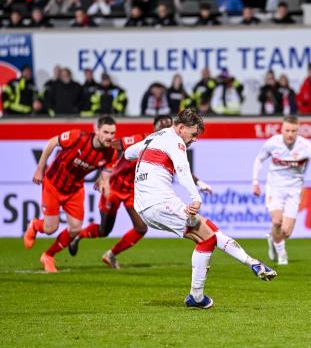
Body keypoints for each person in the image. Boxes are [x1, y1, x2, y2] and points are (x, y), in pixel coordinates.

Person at [125, 109, 277, 308]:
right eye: (193, 133)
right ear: (180, 128)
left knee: (209, 231)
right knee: (208, 238)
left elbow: (128, 153)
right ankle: (196, 297)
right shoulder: (176, 140)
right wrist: (195, 197)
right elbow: (182, 169)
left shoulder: (155, 137)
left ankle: (253, 263)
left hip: (145, 206)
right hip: (160, 202)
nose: (194, 139)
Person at [68, 115, 213, 268]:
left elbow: (181, 169)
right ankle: (79, 235)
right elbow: (115, 146)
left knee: (141, 227)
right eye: (161, 125)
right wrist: (105, 171)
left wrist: (198, 182)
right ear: (154, 127)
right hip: (114, 187)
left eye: (167, 125)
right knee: (104, 230)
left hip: (133, 190)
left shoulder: (170, 144)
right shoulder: (141, 139)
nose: (164, 128)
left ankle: (111, 254)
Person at [23, 116, 118, 273]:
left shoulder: (110, 153)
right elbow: (52, 142)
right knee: (50, 228)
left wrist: (104, 183)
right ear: (97, 131)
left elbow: (106, 175)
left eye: (112, 133)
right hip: (53, 184)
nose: (109, 137)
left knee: (75, 229)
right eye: (106, 132)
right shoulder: (78, 136)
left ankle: (48, 256)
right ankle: (34, 225)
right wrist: (40, 169)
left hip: (75, 190)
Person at [252, 116, 311, 265]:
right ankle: (282, 255)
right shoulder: (273, 143)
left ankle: (272, 239)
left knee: (286, 231)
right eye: (287, 130)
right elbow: (259, 160)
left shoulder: (305, 146)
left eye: (294, 131)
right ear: (282, 130)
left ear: (298, 131)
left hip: (294, 190)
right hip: (275, 188)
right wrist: (255, 182)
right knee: (277, 220)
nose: (290, 134)